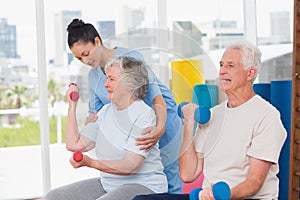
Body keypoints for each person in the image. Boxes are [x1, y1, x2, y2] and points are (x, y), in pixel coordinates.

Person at [133, 41, 287, 200]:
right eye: (221, 65)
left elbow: (254, 182)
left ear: (250, 73)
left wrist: (221, 196)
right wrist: (189, 123)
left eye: (230, 66)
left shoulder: (267, 115)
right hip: (209, 196)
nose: (222, 71)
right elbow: (187, 174)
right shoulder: (213, 115)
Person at [66, 18, 182, 194]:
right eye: (79, 58)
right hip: (130, 125)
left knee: (169, 179)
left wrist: (160, 127)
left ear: (97, 41)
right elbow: (95, 113)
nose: (85, 60)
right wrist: (92, 121)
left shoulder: (131, 59)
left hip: (161, 116)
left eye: (86, 53)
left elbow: (157, 99)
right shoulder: (93, 77)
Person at [44, 56, 168, 200]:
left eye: (111, 79)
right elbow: (74, 144)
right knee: (53, 197)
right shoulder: (105, 111)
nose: (105, 84)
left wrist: (91, 163)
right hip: (108, 184)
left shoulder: (143, 115)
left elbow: (131, 166)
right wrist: (73, 104)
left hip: (144, 186)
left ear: (130, 84)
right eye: (106, 78)